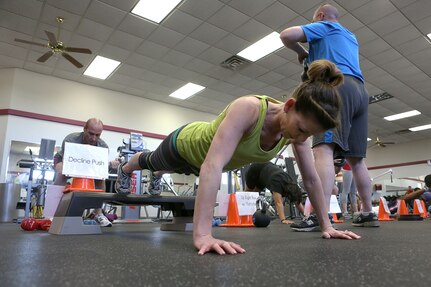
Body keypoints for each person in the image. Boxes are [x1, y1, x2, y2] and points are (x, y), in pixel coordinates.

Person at [115, 60, 361, 256]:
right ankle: (125, 168)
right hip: (184, 146)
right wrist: (203, 235)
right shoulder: (249, 109)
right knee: (152, 161)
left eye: (309, 133)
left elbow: (312, 180)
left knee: (170, 170)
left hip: (199, 164)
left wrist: (327, 225)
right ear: (289, 105)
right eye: (301, 128)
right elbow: (212, 165)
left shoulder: (295, 133)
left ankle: (157, 176)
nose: (302, 137)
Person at [280, 3, 379, 230]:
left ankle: (318, 215)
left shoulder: (324, 25)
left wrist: (302, 52)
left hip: (337, 87)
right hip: (360, 91)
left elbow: (286, 36)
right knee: (356, 159)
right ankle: (367, 212)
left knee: (323, 148)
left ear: (321, 16)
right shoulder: (351, 35)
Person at [54, 118, 118, 227]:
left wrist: (108, 165)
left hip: (87, 164)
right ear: (84, 129)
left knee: (101, 177)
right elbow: (70, 164)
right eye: (91, 134)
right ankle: (54, 211)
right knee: (62, 173)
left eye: (97, 135)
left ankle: (98, 213)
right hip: (65, 161)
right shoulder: (71, 139)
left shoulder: (103, 147)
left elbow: (98, 166)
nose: (93, 138)